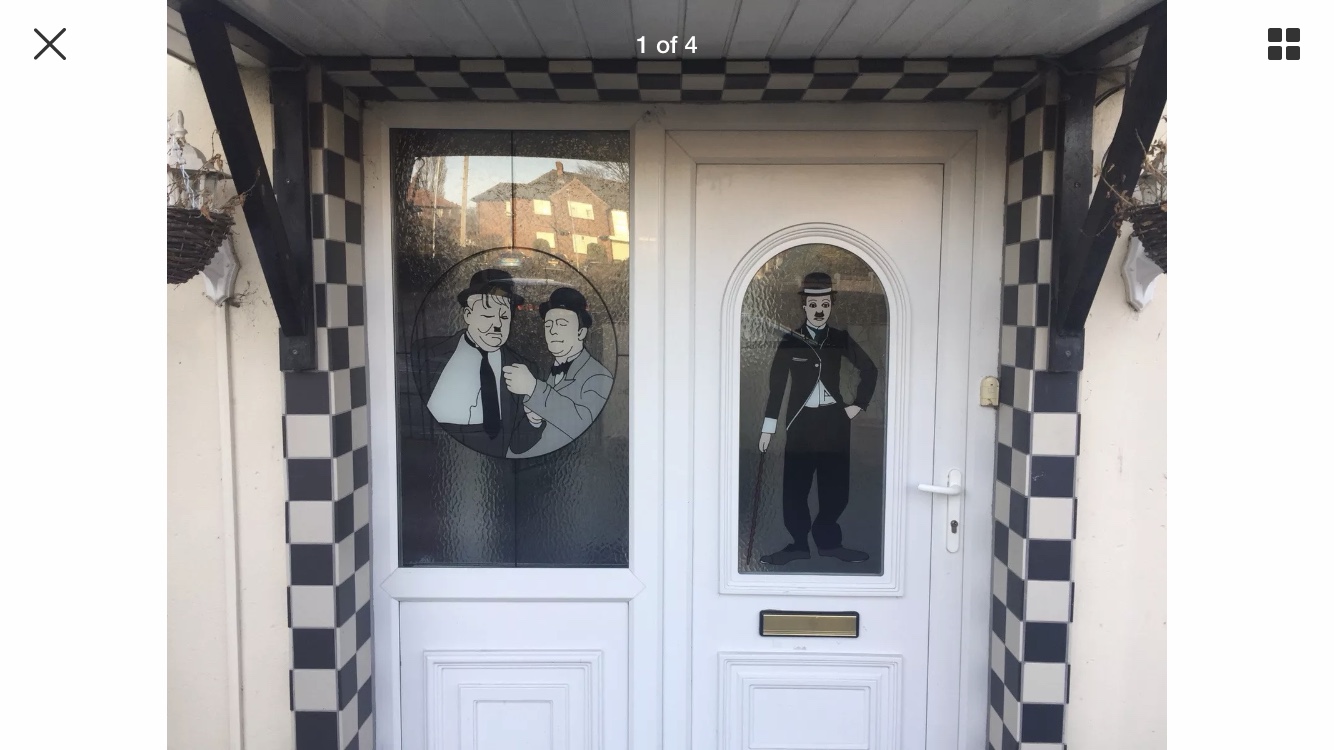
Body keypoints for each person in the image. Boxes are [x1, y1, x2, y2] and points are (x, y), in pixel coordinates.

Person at [757, 272, 878, 565]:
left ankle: (829, 543)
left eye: (825, 304)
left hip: (834, 422)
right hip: (801, 422)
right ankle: (798, 544)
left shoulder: (839, 339)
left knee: (835, 485)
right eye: (813, 305)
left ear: (831, 305)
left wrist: (857, 406)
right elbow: (777, 387)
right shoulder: (790, 340)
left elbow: (869, 369)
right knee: (795, 486)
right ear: (804, 306)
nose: (819, 311)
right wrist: (768, 428)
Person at [417, 269, 541, 459]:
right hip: (433, 459)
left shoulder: (523, 370)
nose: (497, 325)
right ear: (468, 315)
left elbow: (518, 445)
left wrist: (534, 419)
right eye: (487, 315)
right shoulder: (428, 354)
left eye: (504, 317)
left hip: (493, 466)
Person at [503, 287, 613, 457]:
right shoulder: (542, 370)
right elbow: (517, 446)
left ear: (581, 332)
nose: (553, 330)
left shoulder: (598, 376)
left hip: (574, 466)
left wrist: (533, 388)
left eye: (562, 324)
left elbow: (582, 425)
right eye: (548, 325)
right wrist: (534, 421)